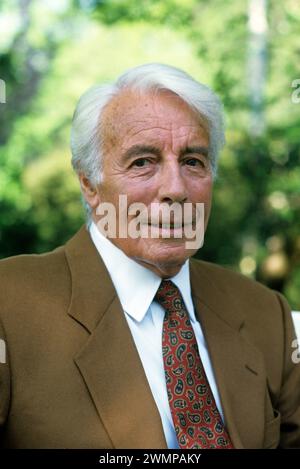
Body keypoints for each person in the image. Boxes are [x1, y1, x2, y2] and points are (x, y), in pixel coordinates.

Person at [0, 63, 299, 449]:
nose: (175, 188)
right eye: (142, 162)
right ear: (89, 183)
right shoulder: (10, 306)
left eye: (193, 161)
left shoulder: (265, 314)